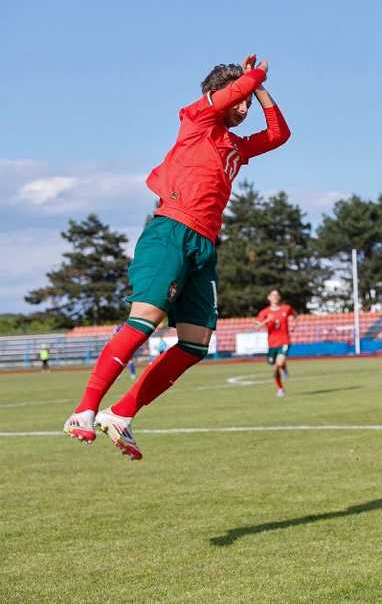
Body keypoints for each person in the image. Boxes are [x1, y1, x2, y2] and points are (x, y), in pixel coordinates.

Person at [62, 55, 289, 460]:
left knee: (196, 343)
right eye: (239, 102)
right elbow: (231, 95)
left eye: (248, 105)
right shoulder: (196, 118)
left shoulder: (235, 146)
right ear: (218, 96)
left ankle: (122, 413)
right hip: (170, 231)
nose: (243, 109)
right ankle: (84, 410)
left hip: (205, 244)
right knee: (145, 320)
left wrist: (259, 88)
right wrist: (254, 76)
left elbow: (278, 134)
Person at [256, 290, 296, 398]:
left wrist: (292, 325)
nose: (274, 297)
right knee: (274, 369)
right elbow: (257, 326)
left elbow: (292, 317)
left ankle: (283, 368)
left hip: (284, 341)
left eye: (276, 295)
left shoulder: (286, 308)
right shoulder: (264, 312)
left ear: (279, 297)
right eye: (272, 295)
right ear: (268, 297)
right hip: (272, 344)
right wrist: (267, 320)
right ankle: (280, 388)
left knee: (278, 363)